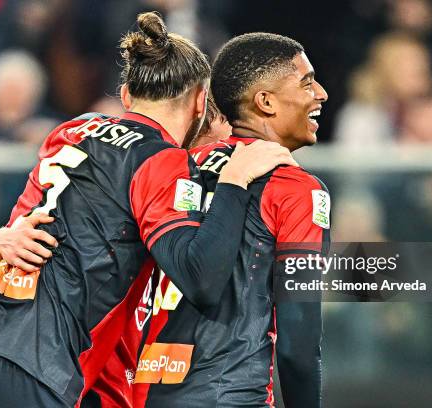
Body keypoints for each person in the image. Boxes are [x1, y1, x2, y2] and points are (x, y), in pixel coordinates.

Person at [0, 13, 295, 408]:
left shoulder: (70, 133)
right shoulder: (164, 163)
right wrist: (234, 181)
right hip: (32, 371)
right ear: (201, 101)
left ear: (127, 96)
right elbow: (202, 278)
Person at [132, 33, 329, 407]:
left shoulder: (173, 170)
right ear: (265, 102)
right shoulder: (295, 188)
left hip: (141, 394)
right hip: (232, 396)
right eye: (306, 82)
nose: (320, 93)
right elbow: (297, 343)